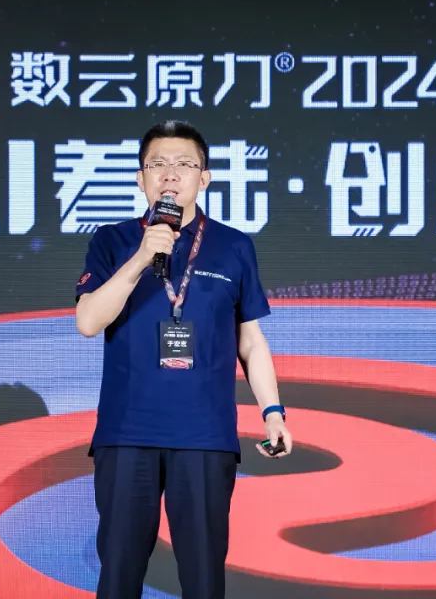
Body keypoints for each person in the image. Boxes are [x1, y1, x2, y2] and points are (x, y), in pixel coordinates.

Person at [74, 120, 292, 599]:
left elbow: (250, 341)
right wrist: (140, 258)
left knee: (203, 579)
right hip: (127, 434)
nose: (170, 174)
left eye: (183, 164)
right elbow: (88, 321)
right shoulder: (112, 241)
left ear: (204, 178)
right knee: (118, 577)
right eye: (157, 164)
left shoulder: (234, 245)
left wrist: (273, 412)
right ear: (140, 179)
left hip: (205, 437)